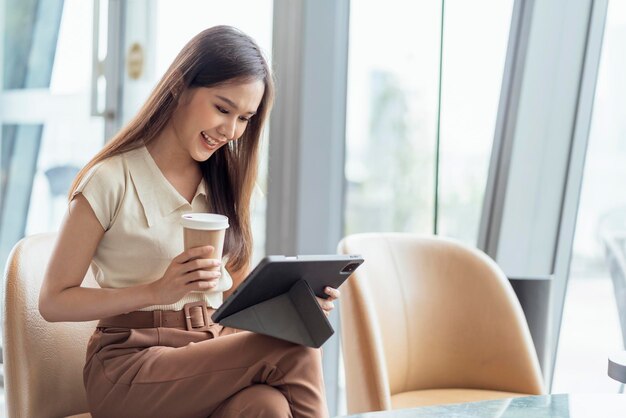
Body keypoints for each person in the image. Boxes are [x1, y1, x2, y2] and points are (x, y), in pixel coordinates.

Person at [38, 25, 339, 418]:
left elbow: (234, 299)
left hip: (207, 349)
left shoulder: (227, 185)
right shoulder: (111, 179)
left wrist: (293, 306)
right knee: (294, 347)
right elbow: (52, 301)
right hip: (129, 365)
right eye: (222, 108)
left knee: (266, 405)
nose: (230, 131)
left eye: (244, 118)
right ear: (180, 85)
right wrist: (156, 290)